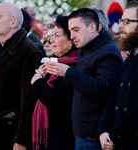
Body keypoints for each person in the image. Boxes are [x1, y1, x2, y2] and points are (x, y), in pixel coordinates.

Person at [44, 8, 123, 150]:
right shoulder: (87, 48)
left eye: (76, 30)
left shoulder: (108, 51)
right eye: (70, 31)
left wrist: (68, 73)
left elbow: (104, 89)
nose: (72, 35)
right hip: (81, 134)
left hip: (95, 137)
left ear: (92, 27)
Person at [0, 2, 43, 150]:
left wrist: (22, 139)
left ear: (13, 22)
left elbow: (29, 100)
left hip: (8, 135)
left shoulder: (30, 52)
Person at [31, 15, 78, 150]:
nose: (51, 40)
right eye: (51, 35)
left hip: (63, 136)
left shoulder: (72, 66)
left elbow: (57, 100)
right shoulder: (55, 62)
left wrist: (38, 82)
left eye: (57, 35)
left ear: (71, 40)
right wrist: (41, 78)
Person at [97, 1, 138, 150]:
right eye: (121, 21)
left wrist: (115, 136)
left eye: (126, 22)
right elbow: (114, 97)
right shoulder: (130, 58)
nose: (120, 26)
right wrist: (103, 131)